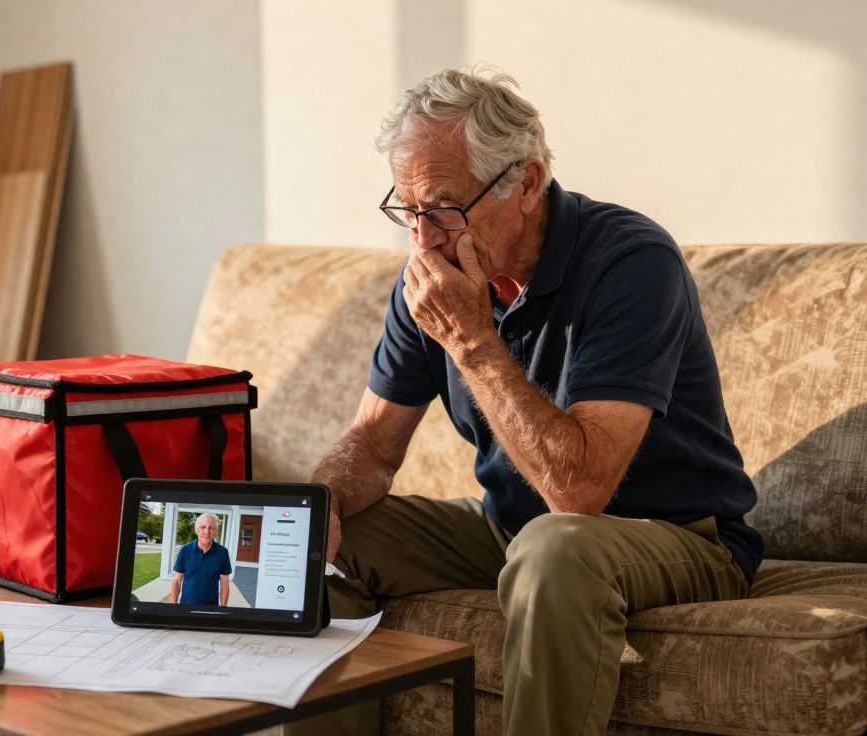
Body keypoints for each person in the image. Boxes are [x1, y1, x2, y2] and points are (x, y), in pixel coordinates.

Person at [290, 67, 763, 736]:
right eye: (409, 209)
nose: (423, 237)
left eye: (445, 206)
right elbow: (371, 445)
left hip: (679, 536)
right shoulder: (429, 276)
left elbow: (579, 490)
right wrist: (323, 503)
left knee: (555, 548)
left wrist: (473, 341)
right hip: (513, 529)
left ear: (528, 183)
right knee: (326, 539)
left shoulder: (631, 262)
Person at [166, 513, 231, 606]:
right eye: (203, 527)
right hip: (186, 606)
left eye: (210, 528)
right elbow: (176, 580)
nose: (206, 532)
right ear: (196, 530)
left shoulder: (223, 553)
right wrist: (173, 606)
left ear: (216, 531)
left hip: (211, 608)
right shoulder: (185, 550)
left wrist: (223, 609)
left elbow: (224, 585)